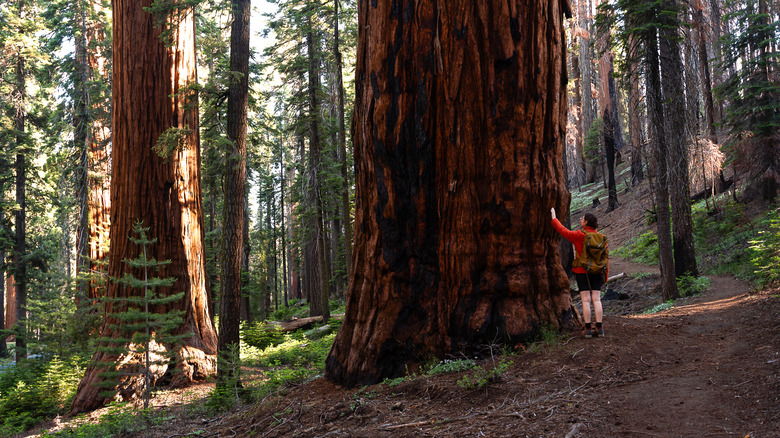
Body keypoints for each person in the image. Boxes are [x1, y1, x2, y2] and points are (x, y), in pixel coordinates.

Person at [550, 208, 609, 338]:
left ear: (586, 222)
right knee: (597, 299)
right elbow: (606, 258)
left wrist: (554, 218)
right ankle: (600, 328)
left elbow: (563, 231)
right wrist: (605, 276)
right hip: (598, 272)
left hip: (582, 272)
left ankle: (588, 329)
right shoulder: (601, 237)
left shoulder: (580, 236)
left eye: (582, 219)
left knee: (586, 300)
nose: (580, 220)